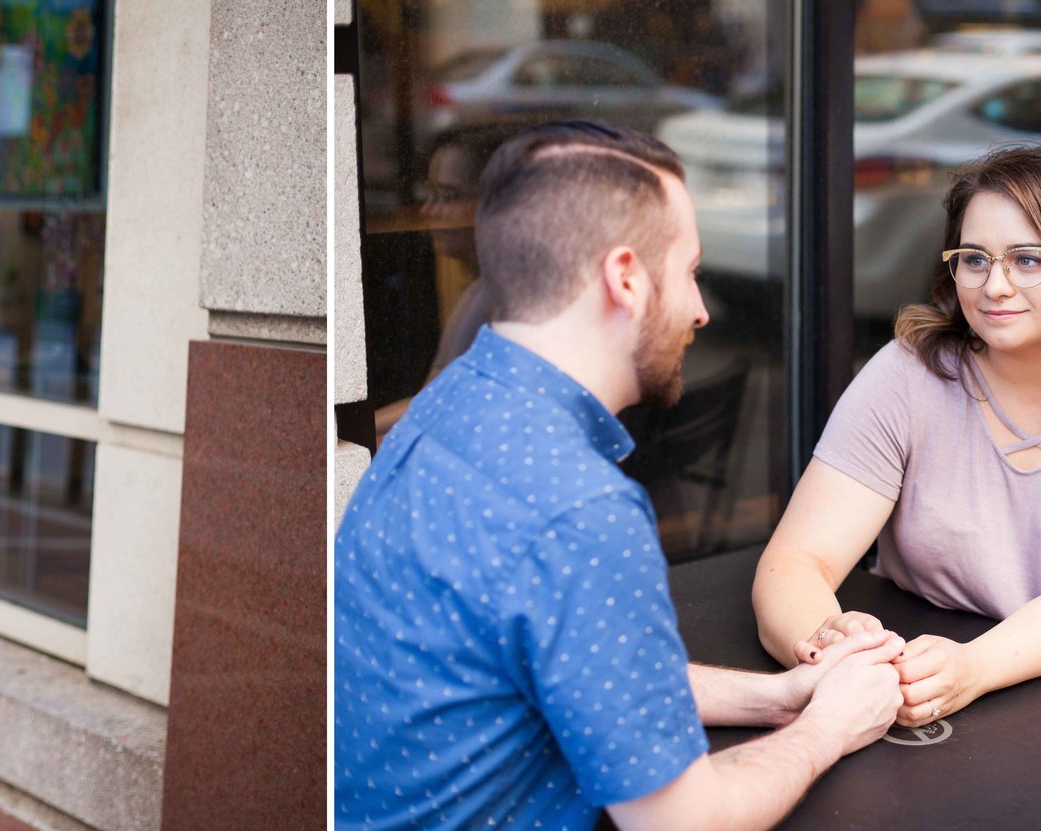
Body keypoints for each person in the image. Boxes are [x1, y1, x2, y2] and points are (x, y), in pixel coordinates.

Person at [334, 120, 904, 831]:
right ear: (627, 278)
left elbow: (583, 673)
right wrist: (832, 726)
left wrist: (784, 694)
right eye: (690, 272)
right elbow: (682, 822)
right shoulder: (578, 507)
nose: (700, 310)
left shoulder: (449, 403)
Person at [750, 145, 1041, 729]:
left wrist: (972, 668)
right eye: (974, 259)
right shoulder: (906, 376)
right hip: (923, 681)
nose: (996, 286)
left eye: (1028, 259)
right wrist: (828, 644)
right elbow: (796, 561)